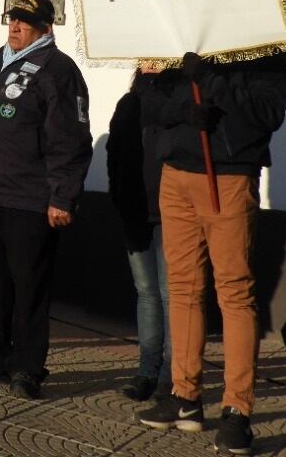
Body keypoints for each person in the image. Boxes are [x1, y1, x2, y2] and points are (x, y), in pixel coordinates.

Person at [137, 49, 286, 456]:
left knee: (234, 292)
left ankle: (237, 410)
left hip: (228, 176)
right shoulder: (178, 41)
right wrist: (185, 111)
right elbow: (148, 102)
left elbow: (267, 113)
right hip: (176, 175)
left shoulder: (266, 48)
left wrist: (211, 79)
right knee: (183, 288)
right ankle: (185, 395)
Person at [0, 0, 92, 399]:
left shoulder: (58, 70)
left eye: (25, 21)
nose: (14, 26)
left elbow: (70, 140)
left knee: (28, 287)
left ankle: (27, 367)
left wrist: (63, 196)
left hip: (28, 198)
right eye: (13, 19)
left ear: (46, 28)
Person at [106, 66, 171, 401]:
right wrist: (118, 196)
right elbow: (113, 153)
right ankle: (147, 371)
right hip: (134, 211)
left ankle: (171, 376)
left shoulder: (176, 103)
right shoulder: (129, 104)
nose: (150, 65)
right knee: (147, 292)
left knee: (170, 295)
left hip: (171, 214)